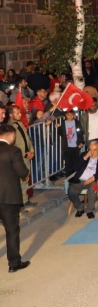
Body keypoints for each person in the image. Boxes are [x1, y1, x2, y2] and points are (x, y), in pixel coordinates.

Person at [0, 124, 31, 272]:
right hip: (9, 197)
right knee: (11, 230)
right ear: (12, 136)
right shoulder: (13, 151)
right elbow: (22, 172)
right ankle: (14, 264)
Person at [67, 141, 98, 219]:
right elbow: (74, 168)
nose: (92, 152)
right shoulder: (84, 155)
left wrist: (94, 177)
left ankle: (89, 209)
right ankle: (80, 207)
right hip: (80, 180)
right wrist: (85, 158)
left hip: (93, 181)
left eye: (94, 150)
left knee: (93, 189)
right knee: (71, 191)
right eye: (90, 149)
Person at [8, 105, 33, 206]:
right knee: (18, 181)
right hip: (18, 158)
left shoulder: (20, 124)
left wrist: (31, 150)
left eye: (20, 112)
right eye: (17, 113)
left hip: (26, 156)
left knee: (25, 179)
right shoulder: (9, 128)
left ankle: (24, 200)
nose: (20, 115)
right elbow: (13, 145)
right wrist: (24, 153)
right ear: (11, 115)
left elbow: (27, 139)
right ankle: (19, 202)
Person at [59, 110, 84, 178]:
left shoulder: (77, 122)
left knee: (75, 162)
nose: (69, 116)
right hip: (67, 146)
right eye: (68, 114)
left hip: (75, 145)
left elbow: (80, 133)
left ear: (73, 115)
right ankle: (68, 177)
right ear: (65, 115)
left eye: (71, 115)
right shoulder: (63, 123)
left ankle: (75, 176)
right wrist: (58, 128)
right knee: (68, 163)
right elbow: (61, 133)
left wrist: (81, 142)